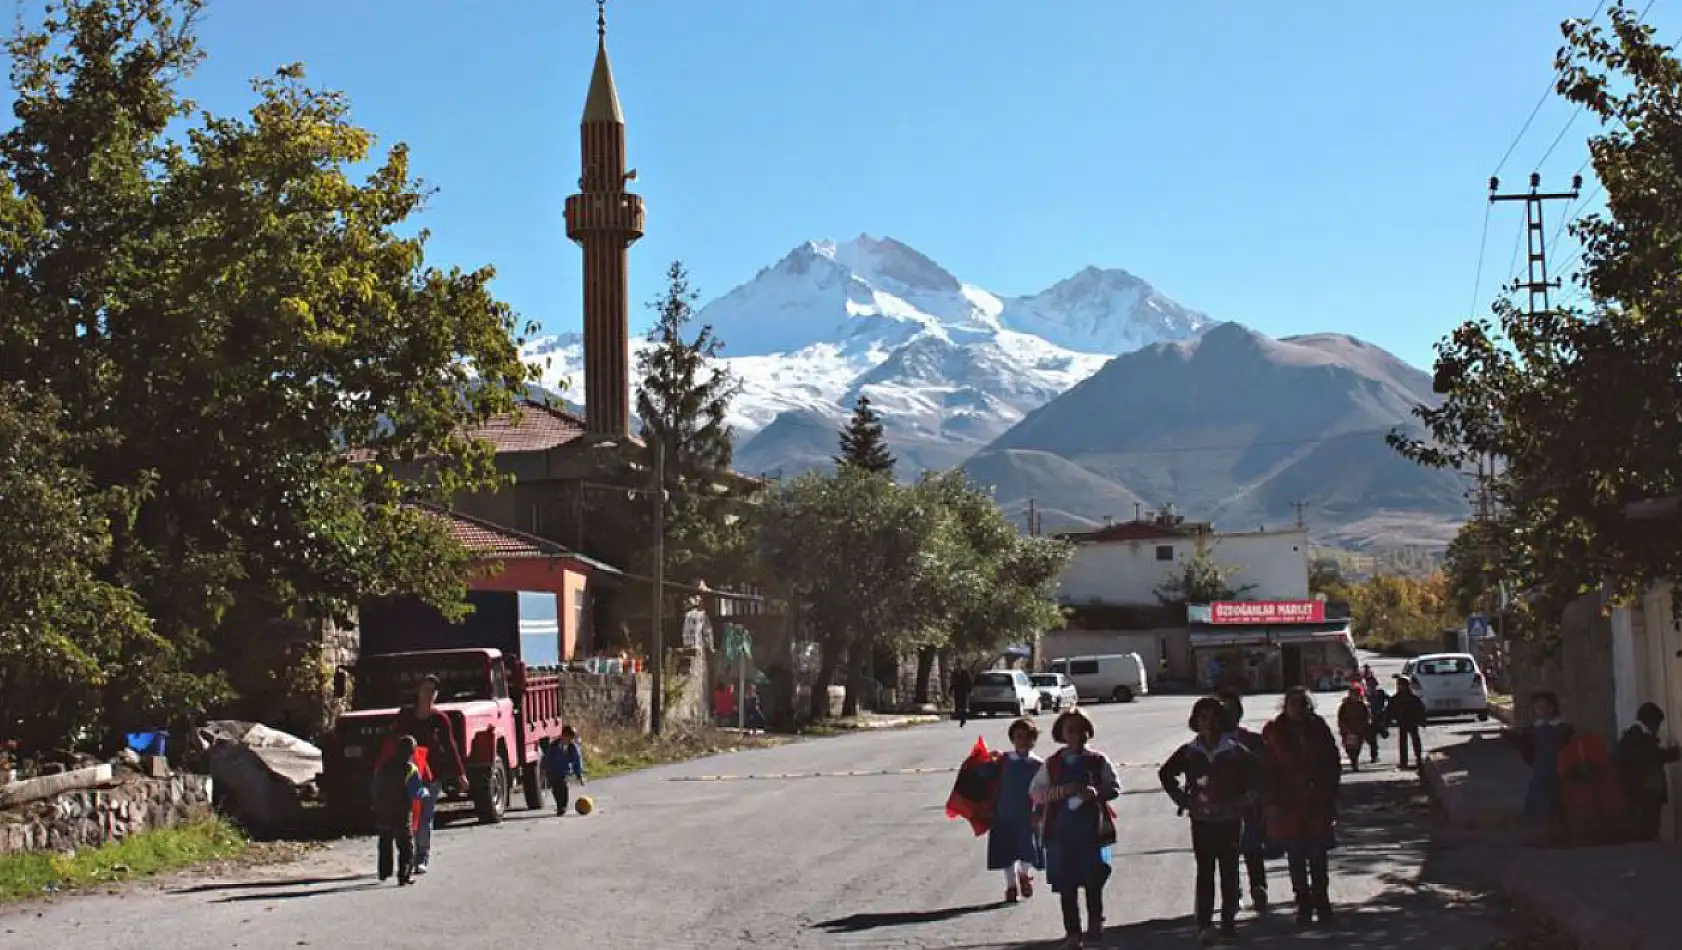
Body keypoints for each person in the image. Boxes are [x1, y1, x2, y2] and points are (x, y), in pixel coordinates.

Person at [1160, 696, 1260, 945]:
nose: (1209, 723)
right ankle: (1205, 924)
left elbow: (1257, 778)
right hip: (1202, 820)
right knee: (1205, 871)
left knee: (1228, 870)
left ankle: (1228, 922)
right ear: (1196, 721)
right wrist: (1183, 800)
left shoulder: (1235, 751)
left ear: (1222, 720)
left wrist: (1244, 801)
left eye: (1214, 717)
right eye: (1203, 718)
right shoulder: (1190, 752)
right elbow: (1166, 773)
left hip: (1229, 820)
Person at [1029, 707, 1121, 949]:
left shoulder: (1097, 761)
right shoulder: (1053, 764)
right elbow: (1036, 793)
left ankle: (1095, 925)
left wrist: (1097, 794)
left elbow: (1114, 786)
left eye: (1081, 729)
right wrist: (1063, 791)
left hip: (1092, 833)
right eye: (1070, 729)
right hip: (1061, 835)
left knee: (1094, 880)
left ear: (1088, 732)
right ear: (1061, 732)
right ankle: (1072, 932)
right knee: (1066, 884)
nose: (1076, 734)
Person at [1262, 686, 1342, 928]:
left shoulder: (1318, 728)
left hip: (1317, 802)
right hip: (1289, 805)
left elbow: (1332, 761)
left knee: (1318, 855)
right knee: (1296, 857)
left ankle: (1322, 902)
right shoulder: (1275, 731)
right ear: (1285, 706)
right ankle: (1303, 905)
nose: (1298, 708)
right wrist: (1272, 802)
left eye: (1302, 703)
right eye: (1293, 703)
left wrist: (1328, 790)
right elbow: (1267, 769)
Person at [390, 674, 468, 875]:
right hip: (406, 775)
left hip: (431, 776)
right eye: (425, 689)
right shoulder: (405, 716)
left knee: (424, 817)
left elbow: (450, 747)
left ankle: (422, 856)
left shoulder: (440, 719)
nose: (428, 694)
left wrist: (460, 774)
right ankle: (407, 856)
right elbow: (392, 742)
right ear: (418, 691)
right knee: (406, 817)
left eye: (432, 691)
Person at [1217, 689, 1272, 912]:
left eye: (1233, 709)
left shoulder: (1252, 740)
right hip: (1220, 807)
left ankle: (1258, 888)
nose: (1229, 714)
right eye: (1224, 710)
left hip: (1249, 805)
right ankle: (1233, 893)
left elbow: (1266, 769)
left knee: (1252, 848)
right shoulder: (1208, 743)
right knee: (1226, 853)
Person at [982, 717, 1045, 903]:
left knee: (1028, 850)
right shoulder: (1004, 760)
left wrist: (1039, 811)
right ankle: (1010, 886)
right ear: (1012, 738)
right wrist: (989, 760)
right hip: (1003, 814)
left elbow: (1043, 790)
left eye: (1028, 737)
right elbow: (984, 774)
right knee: (1005, 852)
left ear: (1034, 739)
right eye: (1019, 736)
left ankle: (1024, 874)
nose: (1023, 740)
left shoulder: (1038, 765)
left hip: (1027, 816)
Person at [1508, 691, 1573, 836]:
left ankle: (1560, 832)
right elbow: (1526, 747)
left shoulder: (1563, 728)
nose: (1540, 710)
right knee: (1538, 801)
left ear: (1552, 707)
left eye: (1543, 706)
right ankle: (1539, 832)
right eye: (1537, 707)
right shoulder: (1534, 729)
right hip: (1540, 770)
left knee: (1558, 800)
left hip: (1558, 769)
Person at [1618, 702, 1681, 841]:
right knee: (1648, 828)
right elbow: (1652, 756)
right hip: (1646, 788)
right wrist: (1674, 752)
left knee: (1646, 828)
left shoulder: (1632, 736)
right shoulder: (1639, 737)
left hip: (1641, 788)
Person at [369, 734, 427, 886]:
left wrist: (376, 801)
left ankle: (384, 871)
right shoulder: (411, 769)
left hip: (383, 808)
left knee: (385, 840)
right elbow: (416, 792)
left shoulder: (384, 766)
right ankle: (404, 875)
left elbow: (375, 786)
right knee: (405, 845)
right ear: (412, 752)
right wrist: (425, 793)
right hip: (401, 811)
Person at [542, 725, 586, 815]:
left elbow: (577, 761)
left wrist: (579, 775)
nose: (570, 740)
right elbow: (547, 759)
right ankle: (559, 806)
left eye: (572, 738)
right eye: (569, 737)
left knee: (563, 788)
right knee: (556, 790)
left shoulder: (572, 747)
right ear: (563, 735)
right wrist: (545, 770)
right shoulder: (554, 746)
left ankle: (563, 806)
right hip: (552, 772)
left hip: (563, 772)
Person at [1387, 676, 1427, 770]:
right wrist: (1388, 720)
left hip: (1412, 721)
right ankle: (1404, 761)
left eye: (1402, 685)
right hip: (1402, 721)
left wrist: (1422, 720)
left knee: (1415, 740)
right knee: (1403, 741)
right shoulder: (1396, 698)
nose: (1400, 687)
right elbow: (1390, 710)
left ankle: (1418, 759)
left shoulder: (1413, 698)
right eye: (1399, 685)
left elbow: (1421, 709)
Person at [1336, 686, 1371, 773]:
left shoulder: (1363, 705)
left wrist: (1364, 726)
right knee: (1349, 748)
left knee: (1357, 747)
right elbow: (1341, 718)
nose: (1354, 696)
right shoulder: (1344, 705)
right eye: (1352, 693)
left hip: (1359, 729)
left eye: (1356, 694)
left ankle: (1354, 761)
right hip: (1348, 730)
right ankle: (1353, 761)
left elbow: (1367, 717)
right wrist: (1343, 728)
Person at [1365, 680, 1390, 762]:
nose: (1372, 688)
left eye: (1373, 686)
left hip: (1380, 718)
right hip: (1371, 719)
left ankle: (1383, 732)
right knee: (1372, 739)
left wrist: (1385, 708)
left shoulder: (1381, 693)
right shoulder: (1366, 695)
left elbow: (1389, 700)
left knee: (1384, 734)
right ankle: (1374, 756)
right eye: (1370, 686)